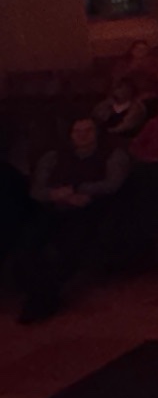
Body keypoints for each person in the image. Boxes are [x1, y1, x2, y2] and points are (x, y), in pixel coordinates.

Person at [17, 119, 131, 324]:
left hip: (92, 209)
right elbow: (36, 190)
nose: (82, 135)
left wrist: (81, 190)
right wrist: (56, 195)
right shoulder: (52, 157)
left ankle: (44, 299)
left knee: (70, 246)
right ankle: (38, 293)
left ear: (97, 133)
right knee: (28, 242)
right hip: (53, 208)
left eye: (88, 130)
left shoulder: (113, 155)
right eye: (77, 131)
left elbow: (112, 184)